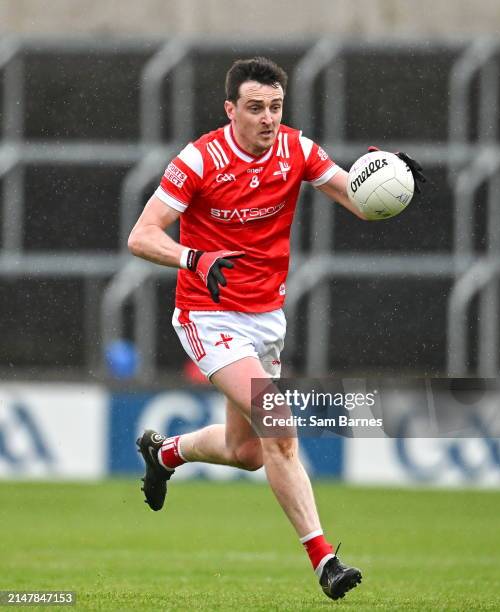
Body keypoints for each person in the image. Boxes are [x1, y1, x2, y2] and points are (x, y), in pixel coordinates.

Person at [128, 56, 425, 601]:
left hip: (265, 320)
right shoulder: (198, 160)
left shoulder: (297, 150)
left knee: (246, 453)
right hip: (207, 314)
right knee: (280, 429)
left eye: (275, 107)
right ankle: (325, 561)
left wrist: (391, 176)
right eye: (255, 108)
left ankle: (165, 452)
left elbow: (358, 202)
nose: (267, 118)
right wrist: (195, 257)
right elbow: (142, 235)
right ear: (230, 109)